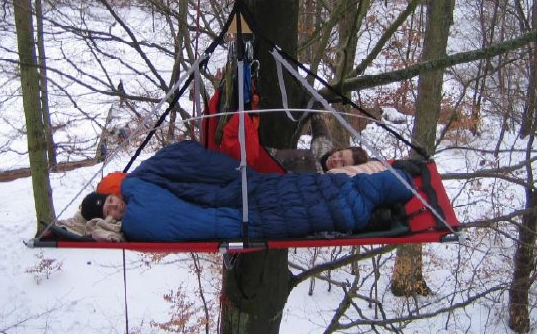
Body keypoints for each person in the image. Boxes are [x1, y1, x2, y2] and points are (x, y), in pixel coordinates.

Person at [75, 140, 413, 242]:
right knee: (324, 200)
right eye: (108, 212)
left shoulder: (141, 182)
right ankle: (384, 201)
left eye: (109, 202)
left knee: (330, 192)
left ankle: (391, 190)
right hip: (242, 202)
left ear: (113, 191)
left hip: (245, 189)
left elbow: (197, 163)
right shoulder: (137, 212)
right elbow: (188, 218)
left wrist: (240, 181)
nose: (113, 209)